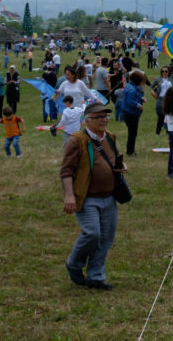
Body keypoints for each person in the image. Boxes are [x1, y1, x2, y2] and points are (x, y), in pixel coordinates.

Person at [61, 101, 126, 290]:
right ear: (87, 120)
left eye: (106, 116)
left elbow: (116, 158)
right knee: (92, 233)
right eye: (99, 117)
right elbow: (66, 171)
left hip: (109, 197)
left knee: (106, 238)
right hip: (87, 197)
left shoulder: (110, 137)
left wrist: (121, 167)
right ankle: (74, 264)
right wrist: (69, 196)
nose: (104, 120)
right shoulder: (77, 140)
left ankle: (96, 277)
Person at [118, 70, 145, 156]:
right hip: (131, 114)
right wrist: (138, 105)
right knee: (132, 133)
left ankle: (130, 150)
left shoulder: (129, 86)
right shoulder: (132, 90)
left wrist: (141, 99)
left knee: (132, 133)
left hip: (129, 113)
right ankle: (130, 151)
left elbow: (134, 97)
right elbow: (130, 101)